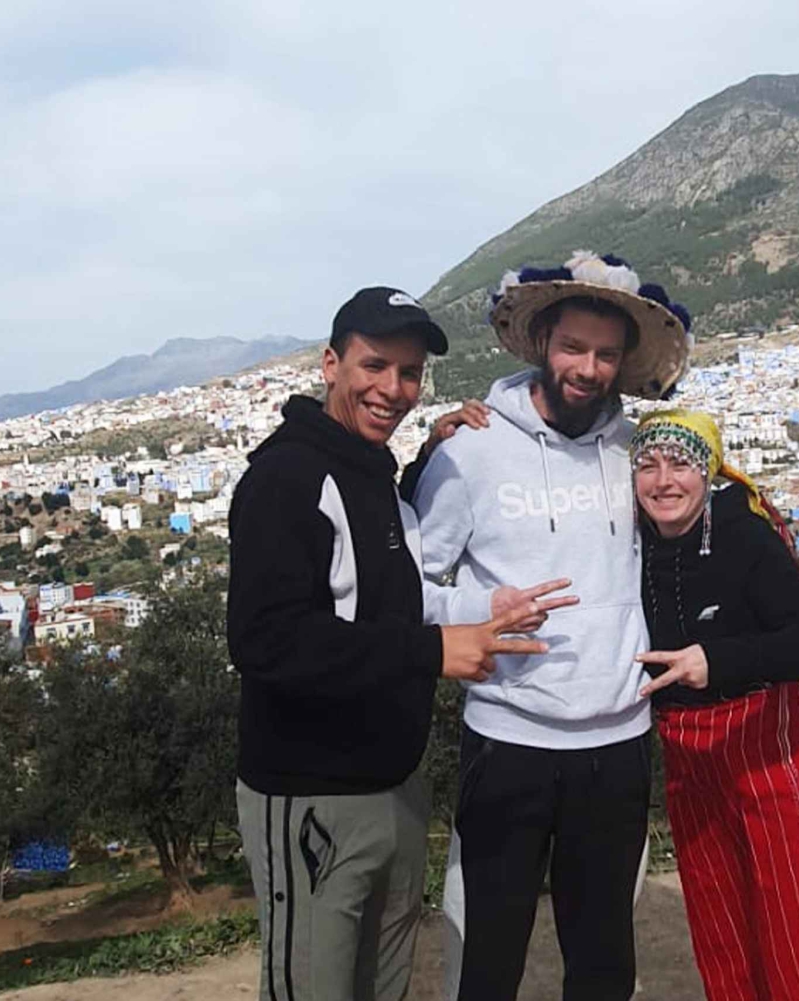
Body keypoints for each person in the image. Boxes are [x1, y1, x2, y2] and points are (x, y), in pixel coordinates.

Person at [227, 286, 566, 1001]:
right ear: (330, 364)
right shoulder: (286, 478)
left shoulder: (372, 469)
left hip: (393, 788)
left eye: (409, 373)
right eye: (375, 365)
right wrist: (432, 651)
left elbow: (380, 576)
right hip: (311, 794)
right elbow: (267, 640)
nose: (392, 389)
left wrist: (427, 459)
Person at [409, 251, 693, 1001]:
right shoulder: (470, 451)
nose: (588, 369)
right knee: (488, 954)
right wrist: (481, 612)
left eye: (606, 355)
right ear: (542, 343)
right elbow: (411, 584)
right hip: (508, 739)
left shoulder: (635, 453)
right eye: (573, 347)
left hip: (618, 741)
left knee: (603, 960)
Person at [628, 408, 799, 1001]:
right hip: (692, 761)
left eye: (680, 464)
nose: (664, 481)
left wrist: (719, 659)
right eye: (648, 466)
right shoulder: (634, 544)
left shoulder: (744, 535)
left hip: (776, 749)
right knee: (721, 929)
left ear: (708, 472)